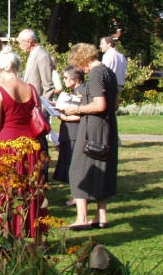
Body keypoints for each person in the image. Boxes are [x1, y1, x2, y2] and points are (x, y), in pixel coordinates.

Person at [0, 49, 48, 238]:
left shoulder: (0, 91)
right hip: (29, 145)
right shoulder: (31, 89)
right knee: (28, 188)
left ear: (0, 69)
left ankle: (6, 232)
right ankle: (30, 230)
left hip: (5, 144)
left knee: (4, 188)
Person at [59, 43, 119, 230]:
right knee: (102, 169)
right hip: (108, 126)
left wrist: (76, 108)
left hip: (93, 127)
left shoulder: (94, 74)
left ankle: (82, 218)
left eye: (78, 63)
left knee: (78, 170)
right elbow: (113, 104)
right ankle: (101, 217)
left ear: (82, 58)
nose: (79, 68)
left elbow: (99, 105)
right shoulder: (109, 71)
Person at [53, 66, 85, 188]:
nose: (64, 80)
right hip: (69, 131)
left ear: (75, 78)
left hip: (75, 132)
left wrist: (64, 117)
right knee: (69, 162)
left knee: (73, 164)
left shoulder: (82, 91)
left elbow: (83, 114)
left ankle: (77, 196)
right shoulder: (76, 91)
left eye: (66, 78)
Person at [17, 29, 55, 102]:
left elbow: (48, 86)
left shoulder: (43, 56)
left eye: (21, 43)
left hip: (38, 105)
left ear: (29, 42)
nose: (20, 46)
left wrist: (43, 109)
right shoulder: (32, 55)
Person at [100, 36, 126, 107]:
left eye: (102, 43)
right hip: (119, 85)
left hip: (110, 85)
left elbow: (104, 72)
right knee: (113, 109)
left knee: (107, 108)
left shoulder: (107, 55)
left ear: (109, 44)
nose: (100, 46)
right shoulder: (121, 56)